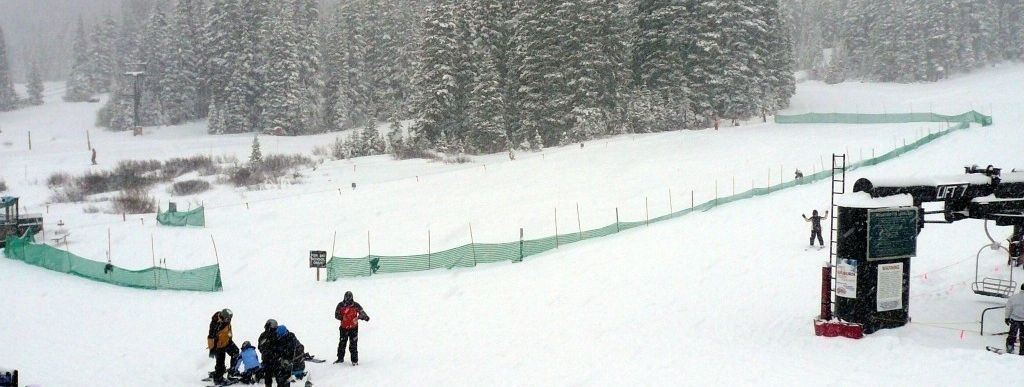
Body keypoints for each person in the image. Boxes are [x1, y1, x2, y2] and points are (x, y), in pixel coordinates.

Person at [335, 291, 370, 365]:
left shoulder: (356, 305)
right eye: (346, 299)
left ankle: (354, 361)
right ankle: (340, 359)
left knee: (353, 345)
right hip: (343, 328)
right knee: (342, 344)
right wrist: (342, 317)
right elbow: (336, 315)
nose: (347, 301)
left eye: (349, 299)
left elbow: (362, 313)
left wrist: (363, 317)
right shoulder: (340, 305)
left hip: (353, 329)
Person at [207, 308, 240, 384]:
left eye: (229, 319)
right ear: (222, 317)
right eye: (227, 319)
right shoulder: (215, 323)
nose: (228, 321)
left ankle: (232, 371)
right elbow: (210, 336)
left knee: (235, 352)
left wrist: (229, 338)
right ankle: (218, 378)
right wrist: (211, 349)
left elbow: (228, 329)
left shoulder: (226, 319)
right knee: (220, 361)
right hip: (218, 345)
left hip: (227, 341)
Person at [258, 319, 281, 387]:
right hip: (269, 359)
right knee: (269, 377)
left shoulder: (276, 334)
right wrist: (268, 352)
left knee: (277, 377)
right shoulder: (264, 335)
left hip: (274, 359)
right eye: (274, 325)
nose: (275, 327)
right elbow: (260, 347)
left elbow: (280, 345)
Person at [1006, 284, 1024, 354]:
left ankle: (1010, 349)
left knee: (1012, 335)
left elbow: (1008, 308)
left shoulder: (1013, 297)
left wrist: (1007, 317)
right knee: (1023, 337)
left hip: (1014, 319)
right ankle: (1022, 351)